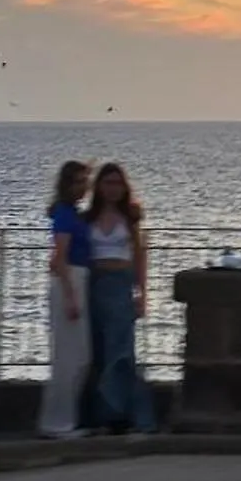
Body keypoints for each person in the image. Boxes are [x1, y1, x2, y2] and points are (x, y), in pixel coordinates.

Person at [83, 162, 154, 434]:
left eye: (117, 183)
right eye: (107, 183)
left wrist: (142, 293)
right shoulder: (88, 219)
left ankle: (131, 414)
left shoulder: (131, 219)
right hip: (95, 286)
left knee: (122, 353)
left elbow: (140, 258)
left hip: (121, 286)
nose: (112, 189)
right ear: (99, 187)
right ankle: (104, 415)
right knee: (98, 353)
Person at [35, 160, 93, 439]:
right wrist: (71, 296)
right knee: (68, 357)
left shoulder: (72, 213)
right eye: (78, 181)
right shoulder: (65, 215)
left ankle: (63, 419)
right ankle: (57, 422)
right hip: (70, 282)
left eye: (85, 181)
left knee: (79, 355)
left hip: (77, 280)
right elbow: (60, 257)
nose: (84, 187)